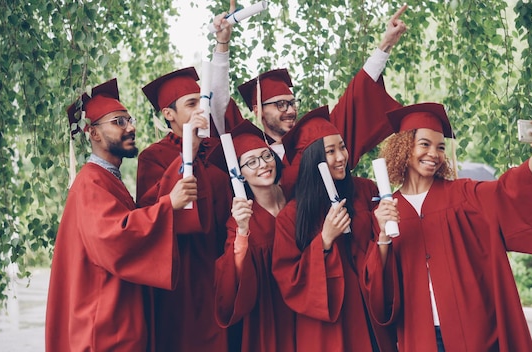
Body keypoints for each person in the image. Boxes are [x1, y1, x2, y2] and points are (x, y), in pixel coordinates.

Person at [362, 102, 532, 351]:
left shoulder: (463, 195)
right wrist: (384, 236)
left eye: (440, 147)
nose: (434, 153)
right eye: (424, 144)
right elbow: (378, 290)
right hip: (420, 335)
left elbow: (506, 191)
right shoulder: (388, 210)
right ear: (404, 148)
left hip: (473, 333)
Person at [45, 78, 198, 351]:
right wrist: (168, 206)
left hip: (116, 316)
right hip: (104, 325)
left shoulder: (107, 178)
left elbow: (136, 216)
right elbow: (116, 236)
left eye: (130, 120)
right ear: (93, 133)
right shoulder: (91, 182)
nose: (131, 128)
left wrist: (190, 148)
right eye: (118, 122)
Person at [135, 5, 241, 351]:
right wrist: (188, 154)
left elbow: (221, 101)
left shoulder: (219, 149)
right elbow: (151, 213)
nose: (201, 110)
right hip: (180, 282)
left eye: (202, 102)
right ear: (168, 114)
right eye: (192, 104)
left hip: (221, 272)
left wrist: (223, 45)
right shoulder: (154, 157)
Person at [236, 4, 409, 198]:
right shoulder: (252, 154)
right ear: (257, 110)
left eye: (292, 103)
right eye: (280, 104)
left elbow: (355, 98)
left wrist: (386, 44)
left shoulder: (315, 140)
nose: (291, 110)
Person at [271, 106, 397, 352]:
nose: (341, 157)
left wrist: (383, 234)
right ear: (313, 159)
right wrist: (324, 241)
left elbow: (383, 250)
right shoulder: (292, 216)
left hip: (370, 310)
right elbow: (289, 279)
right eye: (330, 151)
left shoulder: (365, 191)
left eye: (342, 147)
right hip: (329, 325)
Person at [214, 119, 295, 351]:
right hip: (270, 310)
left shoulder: (294, 196)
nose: (263, 165)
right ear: (240, 175)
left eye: (266, 156)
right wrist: (242, 231)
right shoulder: (239, 219)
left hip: (305, 300)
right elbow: (232, 274)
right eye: (251, 162)